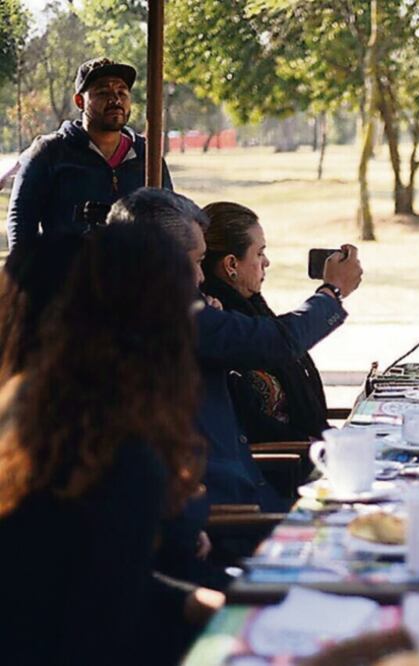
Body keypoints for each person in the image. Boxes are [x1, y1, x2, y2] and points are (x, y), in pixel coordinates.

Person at [0, 224, 220, 665]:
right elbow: (100, 633)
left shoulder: (34, 407)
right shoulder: (120, 455)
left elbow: (66, 573)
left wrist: (187, 600)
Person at [107, 188, 362, 516]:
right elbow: (278, 341)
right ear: (161, 262)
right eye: (196, 262)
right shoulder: (172, 320)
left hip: (250, 493)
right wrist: (332, 291)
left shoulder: (153, 314)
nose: (201, 276)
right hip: (232, 513)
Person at [6, 57, 173, 249]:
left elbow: (170, 220)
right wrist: (26, 266)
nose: (115, 99)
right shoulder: (50, 153)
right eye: (103, 92)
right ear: (80, 101)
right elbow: (21, 223)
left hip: (135, 268)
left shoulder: (148, 155)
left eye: (122, 92)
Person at [201, 201, 328, 443]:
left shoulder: (253, 308)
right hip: (281, 459)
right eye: (259, 253)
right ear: (231, 265)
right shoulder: (224, 321)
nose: (266, 262)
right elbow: (251, 425)